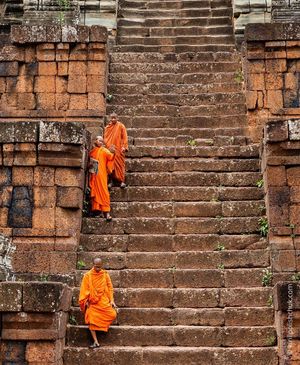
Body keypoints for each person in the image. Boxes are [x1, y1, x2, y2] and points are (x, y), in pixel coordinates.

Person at [79, 257, 117, 348]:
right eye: (96, 267)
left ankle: (102, 326)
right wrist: (86, 300)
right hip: (93, 302)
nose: (98, 269)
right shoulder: (87, 276)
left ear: (102, 266)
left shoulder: (105, 274)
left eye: (99, 267)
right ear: (93, 265)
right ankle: (96, 342)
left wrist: (112, 300)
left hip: (103, 301)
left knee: (113, 314)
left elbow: (110, 287)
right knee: (91, 319)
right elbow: (84, 290)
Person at [89, 136, 115, 221]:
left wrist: (113, 152)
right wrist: (89, 165)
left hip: (102, 175)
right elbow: (89, 163)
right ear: (95, 141)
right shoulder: (92, 152)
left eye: (102, 141)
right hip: (94, 175)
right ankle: (97, 211)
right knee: (95, 192)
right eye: (99, 140)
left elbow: (111, 157)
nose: (101, 142)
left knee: (104, 192)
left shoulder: (104, 150)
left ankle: (107, 213)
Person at [104, 112, 128, 189]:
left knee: (120, 165)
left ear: (117, 118)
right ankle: (111, 181)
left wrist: (124, 146)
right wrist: (106, 148)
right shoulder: (107, 127)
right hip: (110, 149)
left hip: (119, 148)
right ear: (109, 119)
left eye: (115, 118)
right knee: (110, 165)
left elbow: (124, 137)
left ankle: (121, 181)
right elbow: (105, 138)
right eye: (112, 118)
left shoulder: (121, 126)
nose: (113, 119)